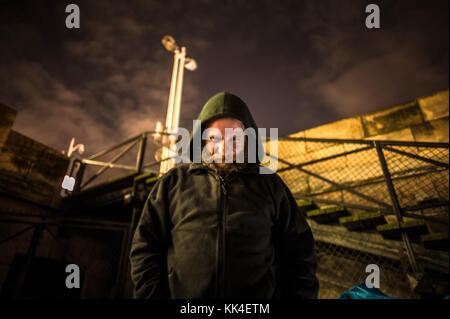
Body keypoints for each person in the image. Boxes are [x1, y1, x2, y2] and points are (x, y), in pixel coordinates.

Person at [129, 91, 318, 299]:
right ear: (203, 140)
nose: (225, 146)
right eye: (214, 137)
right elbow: (145, 248)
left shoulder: (270, 185)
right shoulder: (173, 184)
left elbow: (299, 253)